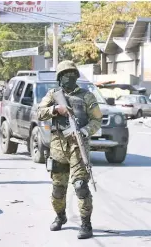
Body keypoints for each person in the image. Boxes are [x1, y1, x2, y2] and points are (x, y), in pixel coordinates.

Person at [37, 60, 102, 239]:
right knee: (58, 188)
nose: (69, 77)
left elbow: (97, 120)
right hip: (58, 146)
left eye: (72, 74)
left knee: (81, 186)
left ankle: (86, 224)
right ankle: (60, 216)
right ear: (59, 78)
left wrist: (84, 131)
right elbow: (39, 112)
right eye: (65, 75)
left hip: (78, 146)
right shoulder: (53, 94)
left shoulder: (86, 96)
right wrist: (55, 109)